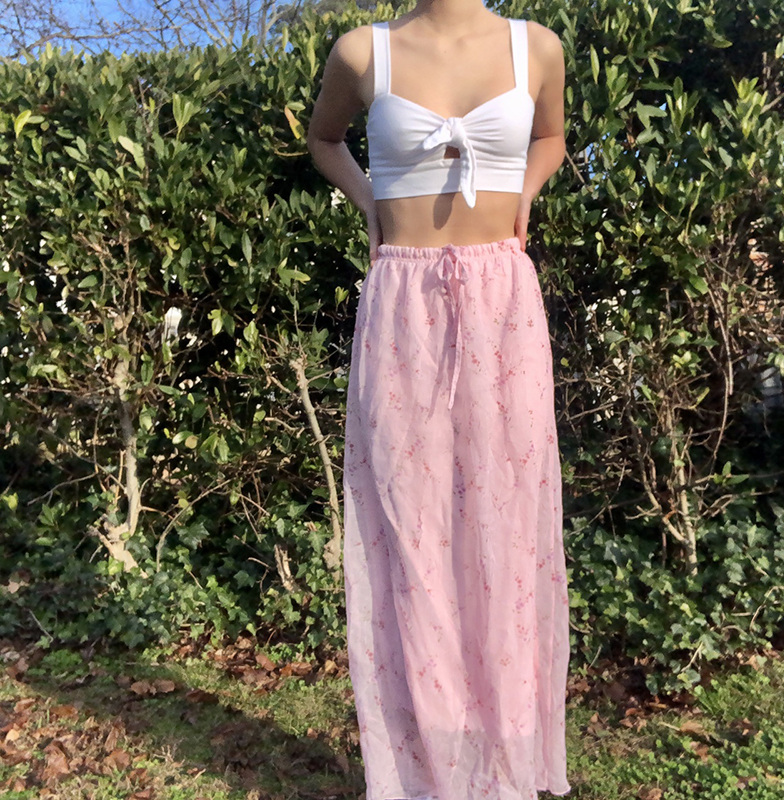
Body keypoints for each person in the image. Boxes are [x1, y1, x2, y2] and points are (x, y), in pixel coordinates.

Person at [307, 1, 570, 798]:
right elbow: (324, 139)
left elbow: (551, 138)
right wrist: (369, 204)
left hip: (503, 302)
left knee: (507, 523)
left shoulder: (536, 47)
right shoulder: (364, 52)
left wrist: (526, 194)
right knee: (408, 523)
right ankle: (423, 766)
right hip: (402, 303)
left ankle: (506, 759)